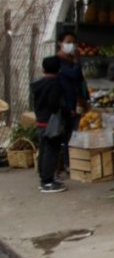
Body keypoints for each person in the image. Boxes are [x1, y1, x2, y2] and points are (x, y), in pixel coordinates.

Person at [30, 56, 68, 193]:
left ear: (43, 68)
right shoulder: (55, 83)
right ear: (59, 69)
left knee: (44, 150)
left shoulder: (38, 83)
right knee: (52, 150)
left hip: (41, 120)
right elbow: (54, 104)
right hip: (51, 122)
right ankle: (47, 182)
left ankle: (44, 179)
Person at [55, 31, 88, 175]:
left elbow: (79, 78)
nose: (71, 45)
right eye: (68, 42)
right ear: (60, 43)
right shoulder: (58, 62)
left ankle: (69, 164)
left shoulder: (71, 61)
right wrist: (76, 61)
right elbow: (73, 75)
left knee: (73, 133)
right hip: (64, 104)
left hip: (74, 101)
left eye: (73, 42)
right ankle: (64, 165)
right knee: (66, 135)